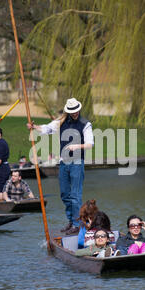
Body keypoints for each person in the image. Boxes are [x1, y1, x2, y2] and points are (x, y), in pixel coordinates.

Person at [27, 97, 94, 235]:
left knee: (75, 196)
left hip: (77, 162)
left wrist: (76, 146)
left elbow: (90, 144)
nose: (75, 113)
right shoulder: (60, 121)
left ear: (79, 109)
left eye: (76, 111)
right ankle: (71, 221)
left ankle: (77, 224)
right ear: (68, 111)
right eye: (72, 111)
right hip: (64, 162)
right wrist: (34, 127)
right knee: (65, 194)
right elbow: (46, 128)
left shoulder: (85, 124)